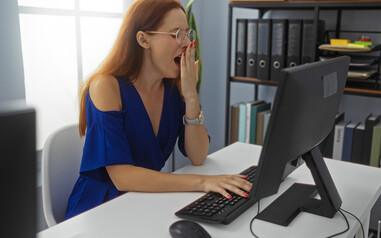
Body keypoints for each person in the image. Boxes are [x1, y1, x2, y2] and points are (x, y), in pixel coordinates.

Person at [65, 0, 252, 219]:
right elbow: (122, 177)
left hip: (145, 200)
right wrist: (202, 182)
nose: (185, 43)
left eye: (187, 34)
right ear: (144, 39)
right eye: (176, 34)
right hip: (100, 208)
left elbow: (198, 155)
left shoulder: (172, 88)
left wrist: (191, 96)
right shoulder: (106, 86)